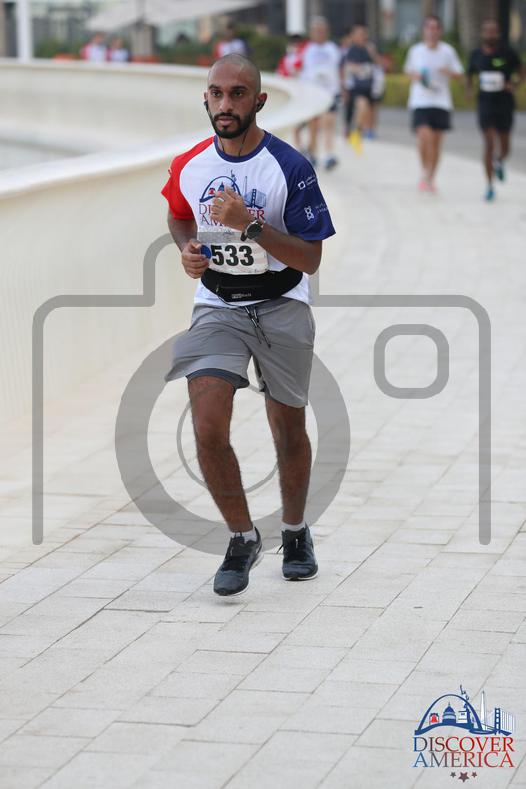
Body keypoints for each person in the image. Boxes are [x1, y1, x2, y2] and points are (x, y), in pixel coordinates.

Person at [161, 54, 335, 597]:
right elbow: (179, 213)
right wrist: (187, 249)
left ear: (258, 100)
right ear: (206, 99)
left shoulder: (288, 166)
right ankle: (241, 538)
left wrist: (250, 225)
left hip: (282, 303)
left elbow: (310, 258)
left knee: (288, 429)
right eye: (217, 93)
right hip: (217, 305)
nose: (226, 104)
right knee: (208, 426)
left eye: (238, 94)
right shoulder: (190, 164)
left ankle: (296, 531)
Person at [404, 15, 463, 193]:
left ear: (440, 31)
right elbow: (408, 71)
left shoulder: (448, 51)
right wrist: (415, 76)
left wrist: (448, 72)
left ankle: (431, 177)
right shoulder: (416, 50)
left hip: (441, 101)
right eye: (429, 27)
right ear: (424, 31)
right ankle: (424, 170)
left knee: (436, 143)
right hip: (420, 100)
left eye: (435, 28)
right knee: (424, 136)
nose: (432, 31)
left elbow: (459, 74)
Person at [467, 18, 523, 202]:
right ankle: (489, 185)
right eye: (487, 31)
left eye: (493, 31)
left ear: (498, 34)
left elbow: (522, 70)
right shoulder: (476, 55)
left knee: (505, 147)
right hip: (485, 104)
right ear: (482, 33)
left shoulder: (507, 53)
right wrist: (468, 90)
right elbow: (469, 74)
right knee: (489, 143)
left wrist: (514, 84)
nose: (490, 34)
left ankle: (499, 161)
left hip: (504, 104)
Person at [300, 16, 342, 170]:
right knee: (313, 124)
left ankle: (329, 153)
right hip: (313, 92)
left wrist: (342, 89)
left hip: (330, 92)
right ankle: (313, 153)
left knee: (328, 122)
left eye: (321, 31)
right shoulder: (307, 49)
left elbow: (339, 69)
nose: (319, 34)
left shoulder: (333, 49)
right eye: (316, 31)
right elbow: (302, 70)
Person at [342, 24, 379, 148]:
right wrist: (363, 69)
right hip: (355, 88)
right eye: (358, 34)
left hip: (370, 86)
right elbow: (349, 67)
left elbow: (379, 64)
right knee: (361, 106)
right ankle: (354, 131)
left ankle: (364, 132)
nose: (361, 36)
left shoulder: (370, 48)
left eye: (363, 34)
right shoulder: (351, 50)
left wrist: (372, 53)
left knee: (370, 110)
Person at [276, 34, 308, 151]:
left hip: (302, 92)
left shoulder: (303, 55)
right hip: (291, 92)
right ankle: (298, 145)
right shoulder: (286, 58)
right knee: (295, 121)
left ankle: (301, 145)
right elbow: (281, 74)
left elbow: (298, 70)